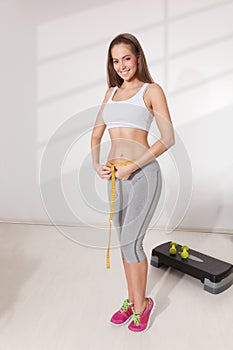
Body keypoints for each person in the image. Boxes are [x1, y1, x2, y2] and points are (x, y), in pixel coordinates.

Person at [90, 33, 175, 333]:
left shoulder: (152, 91)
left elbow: (168, 138)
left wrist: (133, 167)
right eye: (116, 60)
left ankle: (142, 306)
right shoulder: (110, 93)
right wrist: (97, 165)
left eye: (126, 58)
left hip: (143, 177)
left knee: (131, 243)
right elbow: (96, 135)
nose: (122, 65)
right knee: (127, 245)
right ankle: (133, 299)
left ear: (138, 57)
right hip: (116, 179)